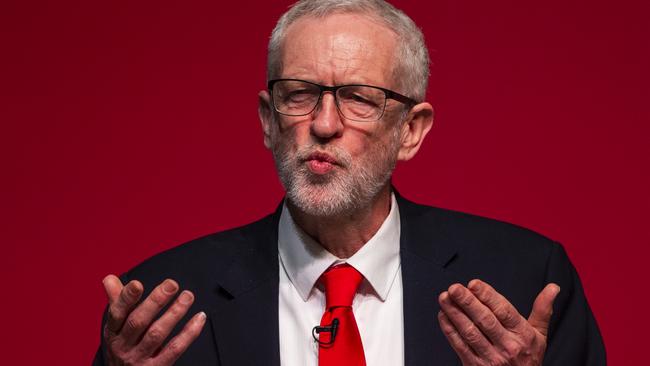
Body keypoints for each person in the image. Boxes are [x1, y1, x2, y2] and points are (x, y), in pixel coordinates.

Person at [93, 1, 605, 365]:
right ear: (268, 120)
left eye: (359, 98)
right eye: (300, 94)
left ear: (411, 130)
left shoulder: (525, 281)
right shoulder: (162, 307)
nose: (324, 123)